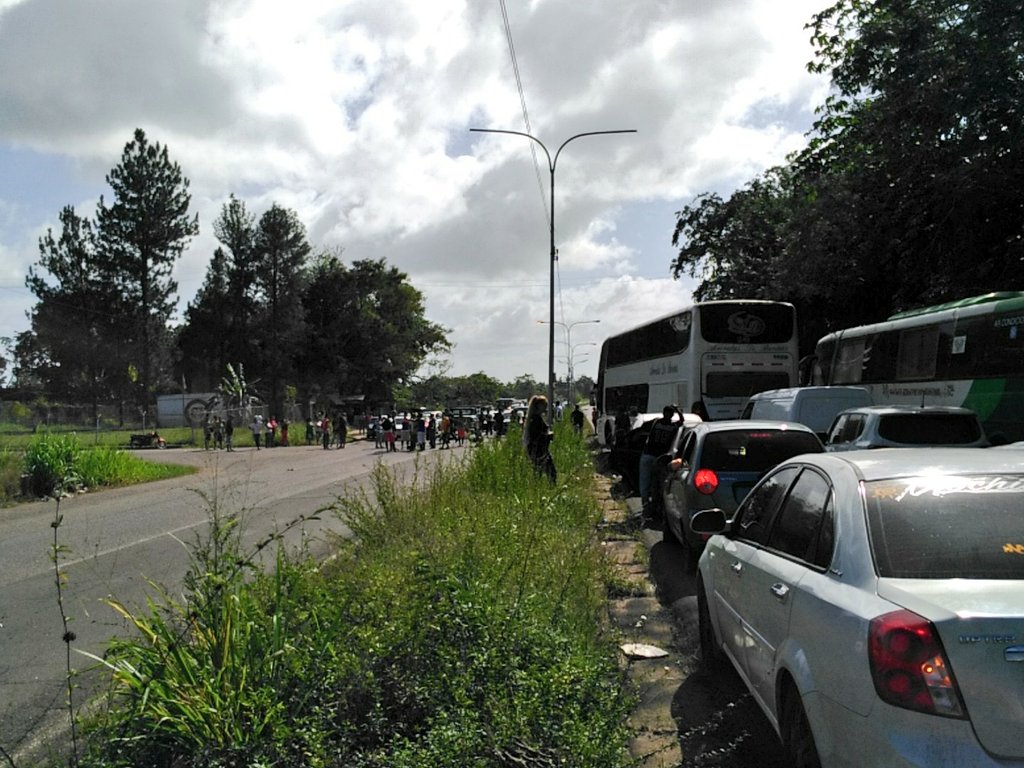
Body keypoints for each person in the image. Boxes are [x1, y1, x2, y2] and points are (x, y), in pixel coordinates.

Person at [638, 405, 681, 517]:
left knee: (645, 481)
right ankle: (658, 505)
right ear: (672, 415)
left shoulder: (656, 423)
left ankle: (646, 503)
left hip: (648, 454)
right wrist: (678, 411)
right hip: (662, 458)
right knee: (661, 482)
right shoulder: (674, 426)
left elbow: (641, 431)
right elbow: (682, 421)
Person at [523, 394, 556, 483]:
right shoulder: (535, 419)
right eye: (544, 405)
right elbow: (536, 436)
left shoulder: (534, 418)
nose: (545, 407)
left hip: (539, 449)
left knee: (539, 473)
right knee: (550, 472)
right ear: (538, 406)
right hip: (538, 449)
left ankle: (538, 489)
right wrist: (548, 436)